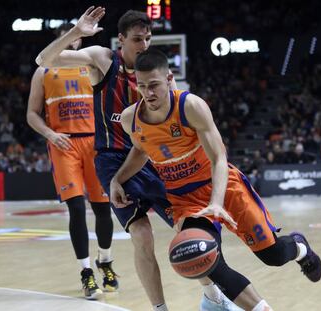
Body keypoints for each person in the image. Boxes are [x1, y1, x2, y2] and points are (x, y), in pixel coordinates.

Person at [36, 7, 236, 311]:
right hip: (114, 161)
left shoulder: (159, 76)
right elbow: (44, 61)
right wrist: (77, 32)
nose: (144, 45)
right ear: (121, 40)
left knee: (189, 229)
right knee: (142, 234)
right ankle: (160, 308)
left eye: (148, 38)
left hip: (152, 159)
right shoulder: (103, 60)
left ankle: (212, 295)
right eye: (137, 39)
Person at [110, 49, 321, 310]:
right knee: (206, 260)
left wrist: (217, 202)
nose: (148, 93)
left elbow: (219, 158)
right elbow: (141, 150)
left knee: (274, 256)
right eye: (142, 86)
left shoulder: (191, 107)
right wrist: (117, 179)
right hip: (185, 199)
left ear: (168, 79)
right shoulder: (131, 118)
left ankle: (299, 247)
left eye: (153, 85)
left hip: (224, 187)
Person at [27, 23, 118, 300]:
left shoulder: (91, 65)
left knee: (103, 210)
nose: (73, 43)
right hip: (63, 144)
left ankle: (106, 261)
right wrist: (50, 134)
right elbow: (32, 113)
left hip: (96, 143)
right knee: (76, 209)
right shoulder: (43, 71)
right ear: (60, 40)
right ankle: (86, 272)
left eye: (78, 39)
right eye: (69, 38)